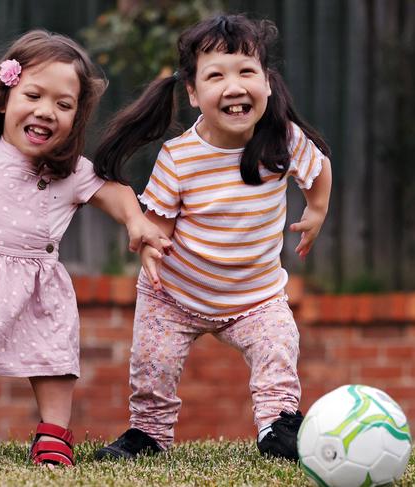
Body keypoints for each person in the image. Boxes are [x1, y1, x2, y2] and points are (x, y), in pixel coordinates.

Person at [0, 30, 171, 468]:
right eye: (34, 95)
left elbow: (114, 192)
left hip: (35, 284)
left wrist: (137, 221)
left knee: (51, 365)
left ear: (76, 117)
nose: (46, 111)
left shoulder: (71, 172)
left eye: (64, 105)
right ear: (6, 98)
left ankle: (54, 431)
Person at [92, 14, 332, 462]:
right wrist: (151, 248)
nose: (234, 86)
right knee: (153, 367)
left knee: (279, 350)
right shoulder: (179, 157)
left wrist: (316, 210)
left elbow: (319, 171)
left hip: (255, 299)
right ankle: (148, 434)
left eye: (246, 72)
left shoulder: (283, 140)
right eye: (216, 75)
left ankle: (277, 426)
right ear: (192, 92)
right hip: (175, 296)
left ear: (266, 82)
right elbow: (158, 222)